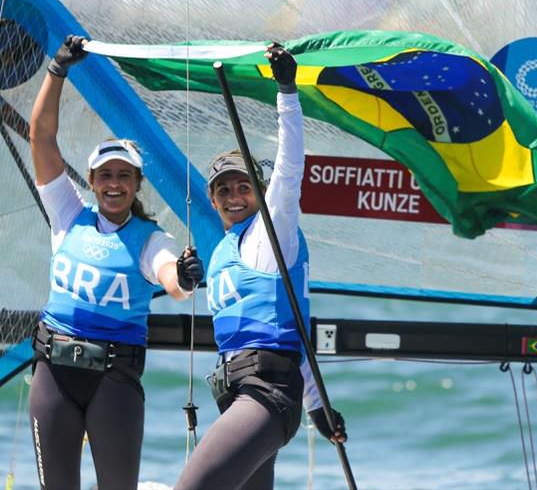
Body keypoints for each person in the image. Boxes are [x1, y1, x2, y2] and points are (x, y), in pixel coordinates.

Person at [27, 35, 204, 490]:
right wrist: (57, 70)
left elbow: (172, 277)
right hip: (54, 374)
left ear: (136, 184)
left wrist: (182, 277)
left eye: (124, 176)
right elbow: (40, 137)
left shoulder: (150, 239)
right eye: (105, 175)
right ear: (90, 180)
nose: (113, 184)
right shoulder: (68, 215)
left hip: (114, 381)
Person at [174, 44, 346, 490]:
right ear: (212, 201)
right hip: (239, 397)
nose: (234, 195)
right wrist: (315, 407)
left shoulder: (274, 232)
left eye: (244, 186)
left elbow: (290, 170)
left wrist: (286, 91)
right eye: (224, 189)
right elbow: (295, 331)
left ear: (260, 190)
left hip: (265, 397)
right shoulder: (223, 252)